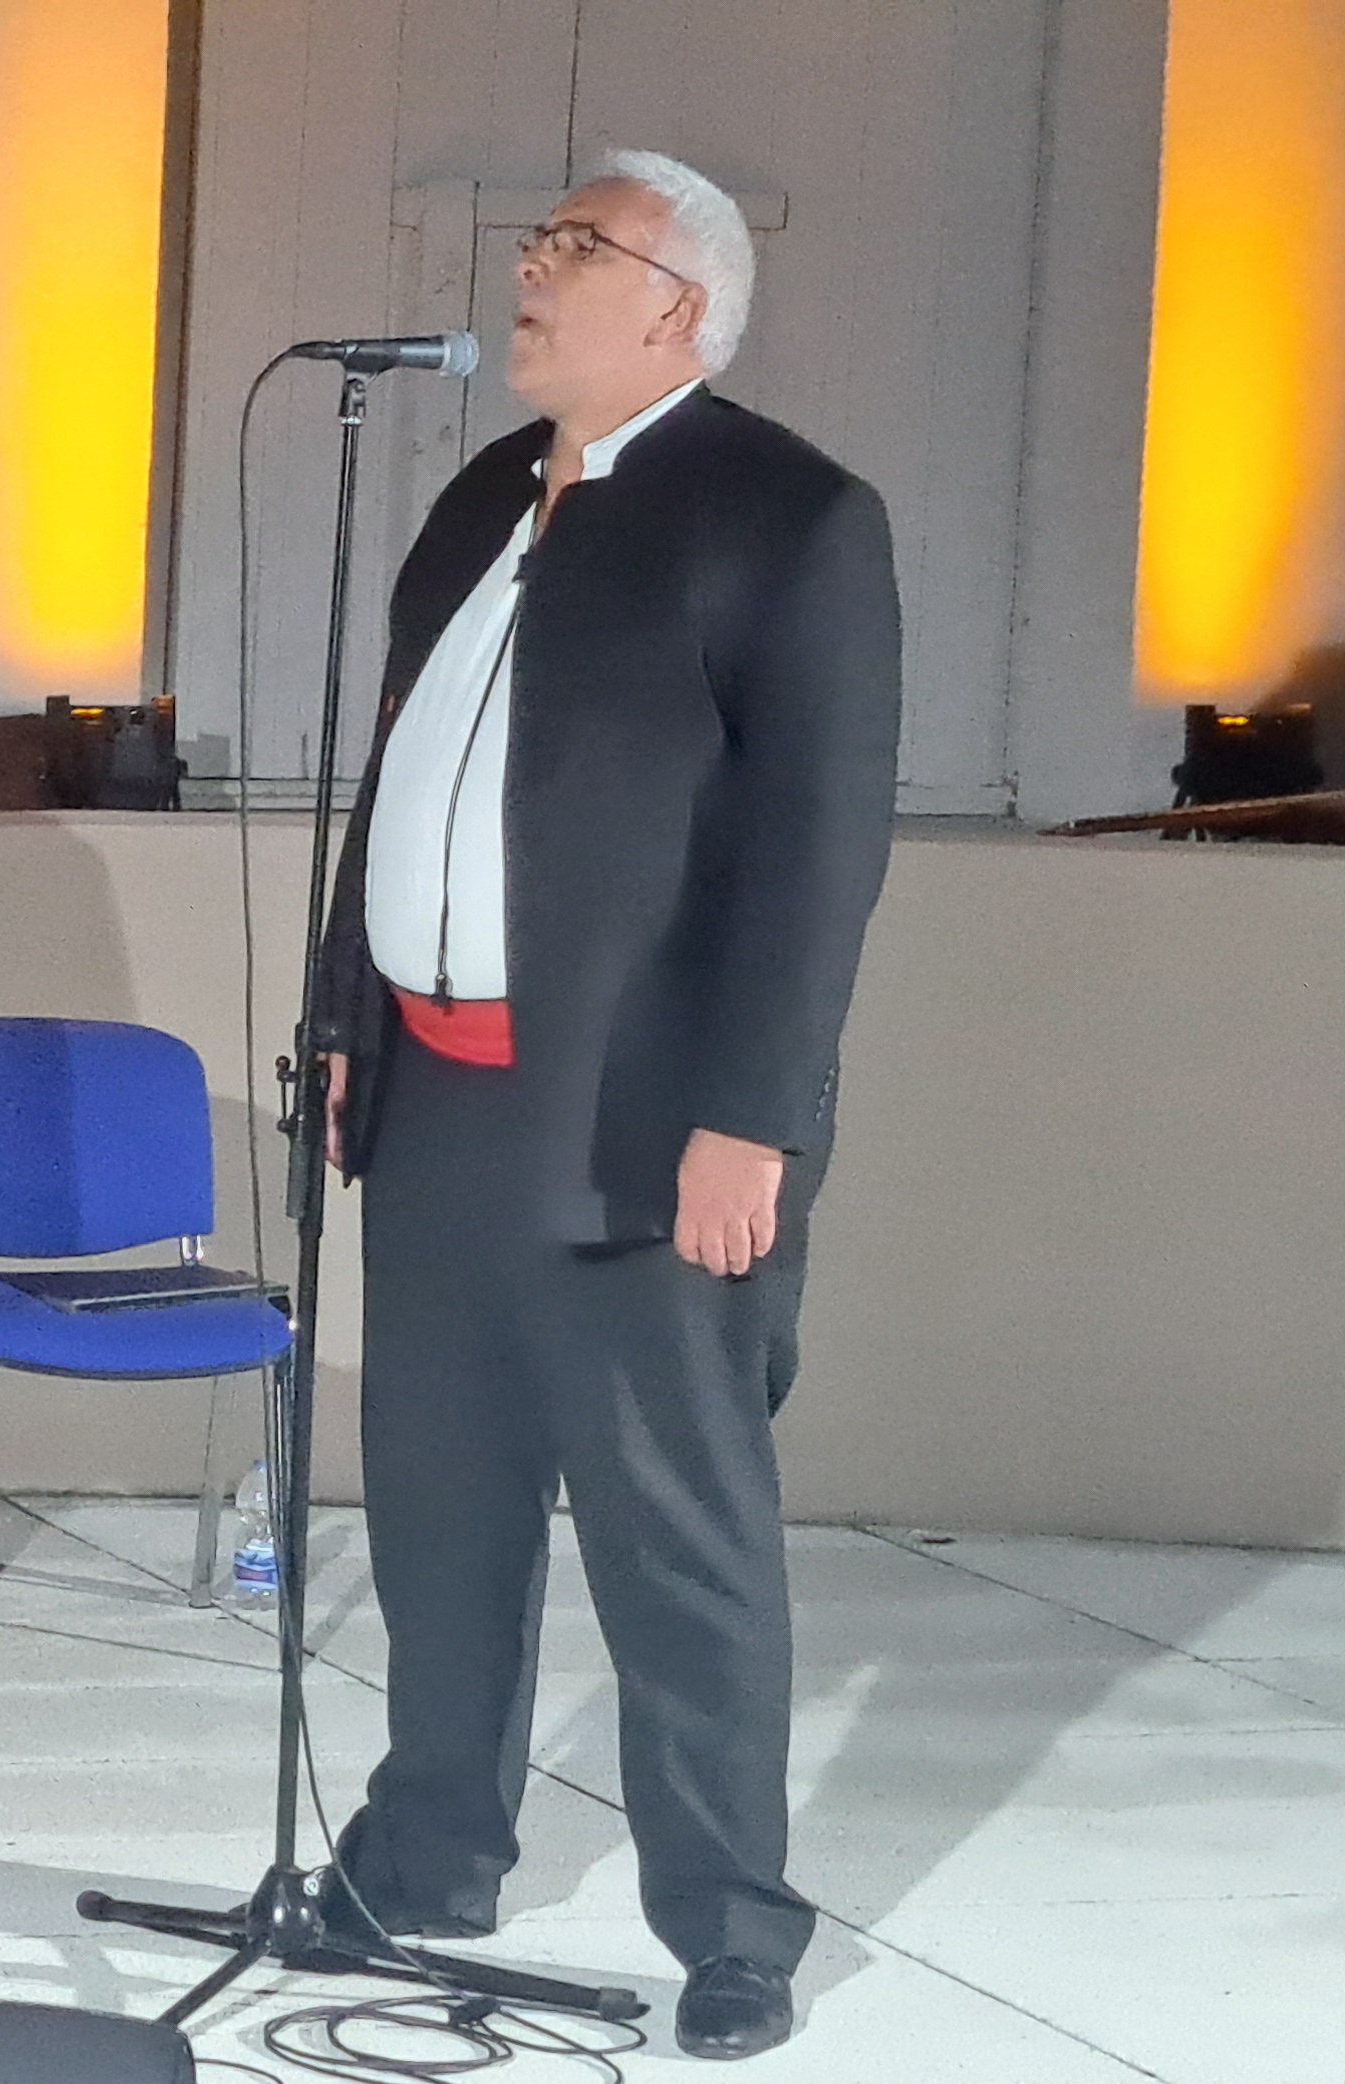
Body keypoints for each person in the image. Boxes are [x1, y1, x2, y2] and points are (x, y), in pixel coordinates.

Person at [314, 148, 899, 2063]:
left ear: (679, 307)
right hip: (439, 1101)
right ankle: (428, 1853)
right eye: (541, 237)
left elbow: (816, 856)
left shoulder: (790, 515)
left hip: (646, 1134)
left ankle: (733, 1926)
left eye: (578, 246)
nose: (532, 266)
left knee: (676, 1544)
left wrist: (755, 1119)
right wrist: (348, 1009)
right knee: (443, 1512)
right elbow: (404, 778)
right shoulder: (487, 489)